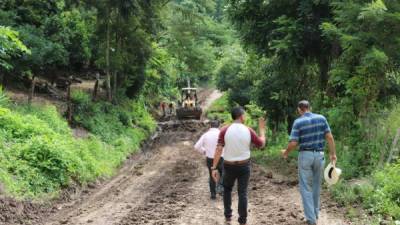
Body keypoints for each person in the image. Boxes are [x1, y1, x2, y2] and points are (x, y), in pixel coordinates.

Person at [281, 100, 337, 225]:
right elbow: (329, 137)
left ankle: (311, 219)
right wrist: (333, 154)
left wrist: (286, 152)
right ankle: (315, 214)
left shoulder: (298, 122)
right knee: (316, 185)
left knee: (306, 187)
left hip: (305, 155)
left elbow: (294, 143)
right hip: (320, 155)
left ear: (299, 109)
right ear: (309, 107)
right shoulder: (321, 118)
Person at [212, 107, 266, 225]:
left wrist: (214, 167)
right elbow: (261, 144)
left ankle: (228, 216)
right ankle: (242, 220)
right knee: (242, 192)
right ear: (241, 116)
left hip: (229, 165)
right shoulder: (248, 130)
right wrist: (262, 130)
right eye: (244, 115)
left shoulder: (224, 130)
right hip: (244, 166)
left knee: (227, 190)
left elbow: (219, 149)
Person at [194, 120, 224, 200]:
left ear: (210, 126)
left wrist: (204, 151)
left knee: (212, 175)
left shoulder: (206, 135)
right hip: (221, 158)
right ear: (219, 125)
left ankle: (213, 194)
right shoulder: (222, 134)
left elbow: (197, 146)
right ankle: (222, 191)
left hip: (210, 158)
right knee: (223, 174)